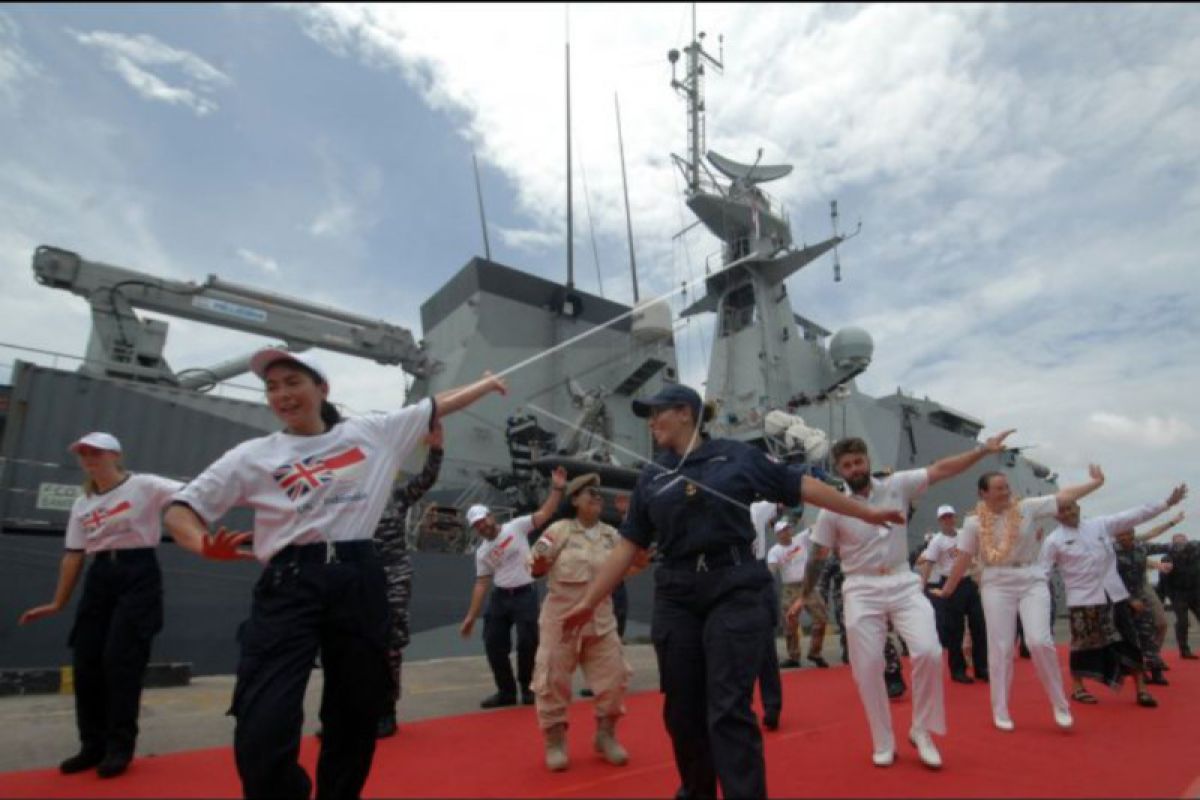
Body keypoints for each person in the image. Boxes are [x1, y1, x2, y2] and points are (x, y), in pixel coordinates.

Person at [164, 348, 507, 800]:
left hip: (358, 577)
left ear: (321, 389)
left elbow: (438, 404)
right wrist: (199, 544)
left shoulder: (371, 433)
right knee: (262, 724)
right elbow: (180, 508)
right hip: (289, 582)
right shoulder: (252, 456)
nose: (282, 394)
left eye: (292, 382)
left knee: (355, 713)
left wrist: (485, 384)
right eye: (272, 387)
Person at [560, 384, 906, 800]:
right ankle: (697, 791)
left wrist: (865, 510)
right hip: (677, 594)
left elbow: (802, 487)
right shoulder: (652, 476)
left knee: (727, 708)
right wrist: (587, 602)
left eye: (657, 413)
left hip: (735, 587)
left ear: (685, 413)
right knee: (682, 712)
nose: (650, 423)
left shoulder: (736, 456)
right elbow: (626, 547)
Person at [792, 431, 1015, 770]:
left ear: (867, 461)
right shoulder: (833, 509)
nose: (854, 468)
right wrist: (806, 594)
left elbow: (942, 469)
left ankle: (921, 730)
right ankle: (883, 740)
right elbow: (819, 555)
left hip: (901, 580)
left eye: (858, 461)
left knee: (927, 651)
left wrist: (983, 451)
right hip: (861, 587)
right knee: (867, 669)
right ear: (839, 470)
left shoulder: (898, 485)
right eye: (847, 465)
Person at [18, 432, 184, 779]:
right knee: (87, 660)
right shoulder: (83, 503)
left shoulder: (146, 486)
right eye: (84, 454)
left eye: (97, 453)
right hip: (99, 576)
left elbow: (197, 495)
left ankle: (118, 747)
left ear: (116, 455)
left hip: (137, 571)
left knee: (121, 661)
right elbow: (73, 555)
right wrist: (57, 602)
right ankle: (91, 745)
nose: (90, 459)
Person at [937, 466, 1112, 734]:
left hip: (1030, 576)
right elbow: (964, 556)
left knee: (1039, 641)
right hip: (996, 581)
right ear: (983, 493)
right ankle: (1001, 709)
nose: (1006, 491)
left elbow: (1063, 497)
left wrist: (1095, 483)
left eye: (1006, 487)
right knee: (1001, 647)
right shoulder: (973, 523)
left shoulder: (1028, 508)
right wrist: (948, 589)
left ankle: (1060, 704)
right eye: (998, 488)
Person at [529, 473, 646, 771]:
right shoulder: (559, 531)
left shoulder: (612, 535)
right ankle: (555, 742)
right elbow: (535, 565)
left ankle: (605, 737)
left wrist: (639, 538)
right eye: (589, 492)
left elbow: (635, 564)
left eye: (598, 493)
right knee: (551, 682)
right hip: (562, 621)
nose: (596, 496)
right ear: (575, 499)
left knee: (615, 678)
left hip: (601, 620)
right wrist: (540, 563)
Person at [1040, 480, 1187, 710]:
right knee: (1082, 644)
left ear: (1078, 507)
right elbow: (1043, 573)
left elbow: (1133, 515)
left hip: (1115, 596)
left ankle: (1141, 689)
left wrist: (1166, 504)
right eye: (1062, 510)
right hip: (1083, 601)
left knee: (1131, 640)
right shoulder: (1053, 541)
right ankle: (1078, 687)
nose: (1068, 512)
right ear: (1055, 516)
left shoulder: (1100, 525)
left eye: (1071, 507)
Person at [459, 466, 567, 708]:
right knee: (493, 643)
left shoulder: (515, 527)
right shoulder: (482, 552)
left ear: (491, 516)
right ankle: (506, 692)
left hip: (525, 594)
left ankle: (528, 689)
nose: (482, 526)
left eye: (482, 520)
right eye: (476, 525)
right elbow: (481, 583)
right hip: (500, 597)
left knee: (528, 642)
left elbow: (544, 514)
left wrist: (557, 489)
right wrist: (470, 617)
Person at [372, 420, 444, 738]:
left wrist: (436, 448)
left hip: (393, 574)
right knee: (350, 646)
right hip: (358, 576)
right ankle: (345, 714)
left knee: (389, 646)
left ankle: (386, 711)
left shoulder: (397, 498)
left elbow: (427, 479)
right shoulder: (350, 501)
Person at [918, 505, 988, 684]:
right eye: (944, 518)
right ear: (940, 521)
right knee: (955, 630)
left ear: (954, 518)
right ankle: (958, 670)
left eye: (950, 516)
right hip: (949, 583)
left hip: (968, 582)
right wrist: (921, 587)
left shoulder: (964, 534)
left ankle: (982, 667)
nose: (948, 520)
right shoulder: (937, 541)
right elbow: (929, 564)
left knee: (979, 625)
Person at [1114, 512, 1185, 686]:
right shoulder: (1110, 551)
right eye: (1121, 534)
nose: (1125, 537)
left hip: (1141, 596)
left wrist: (1182, 545)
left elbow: (1161, 546)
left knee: (1149, 632)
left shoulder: (1140, 546)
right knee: (1129, 637)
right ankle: (1138, 671)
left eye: (1128, 533)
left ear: (1132, 533)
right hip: (1122, 599)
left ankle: (1155, 669)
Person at [768, 518, 829, 668]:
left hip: (807, 586)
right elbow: (771, 569)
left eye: (788, 529)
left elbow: (815, 526)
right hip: (790, 588)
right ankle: (793, 656)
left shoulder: (800, 539)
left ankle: (815, 653)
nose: (787, 532)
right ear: (778, 534)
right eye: (783, 530)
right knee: (790, 623)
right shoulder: (774, 551)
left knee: (821, 618)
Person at [748, 499, 784, 729]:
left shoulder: (757, 508)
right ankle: (739, 707)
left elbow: (781, 500)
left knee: (765, 651)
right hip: (725, 574)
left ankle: (772, 707)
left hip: (754, 573)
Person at [1162, 532, 1200, 658]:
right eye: (1177, 543)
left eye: (1183, 542)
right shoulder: (1168, 558)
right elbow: (1163, 580)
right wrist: (1168, 596)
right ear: (1172, 544)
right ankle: (1184, 650)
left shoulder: (1196, 553)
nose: (1181, 545)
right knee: (1183, 622)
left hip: (1195, 592)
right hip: (1178, 593)